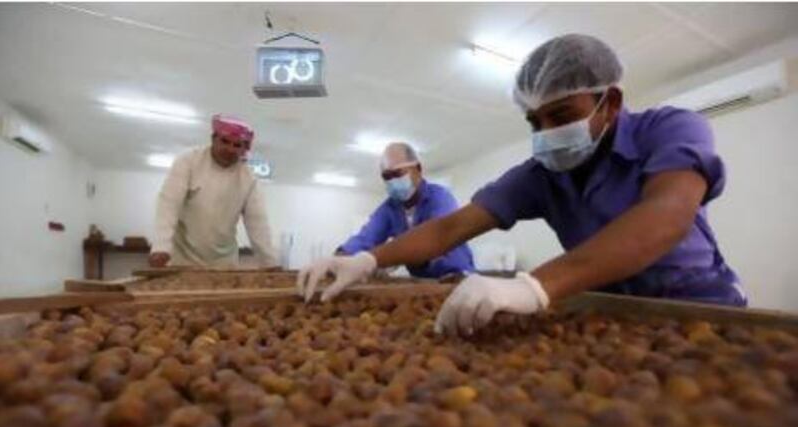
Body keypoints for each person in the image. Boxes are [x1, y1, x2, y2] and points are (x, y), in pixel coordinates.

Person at [297, 34, 746, 336]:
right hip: (610, 316)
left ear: (609, 102)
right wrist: (367, 259)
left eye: (562, 116)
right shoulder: (540, 174)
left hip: (702, 310)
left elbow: (666, 217)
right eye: (535, 121)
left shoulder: (671, 129)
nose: (547, 132)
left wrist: (533, 286)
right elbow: (450, 229)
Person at [149, 114, 278, 269]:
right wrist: (161, 247)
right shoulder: (188, 161)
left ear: (244, 149)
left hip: (224, 264)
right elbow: (169, 204)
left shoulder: (248, 179)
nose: (230, 149)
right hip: (182, 260)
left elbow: (258, 224)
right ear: (213, 138)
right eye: (225, 141)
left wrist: (270, 263)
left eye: (237, 145)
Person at [335, 142, 474, 278]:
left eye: (398, 173)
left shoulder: (440, 197)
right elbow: (365, 238)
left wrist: (385, 257)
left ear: (418, 169)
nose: (393, 182)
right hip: (422, 282)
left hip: (457, 276)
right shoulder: (389, 209)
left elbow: (435, 238)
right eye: (387, 177)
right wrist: (339, 258)